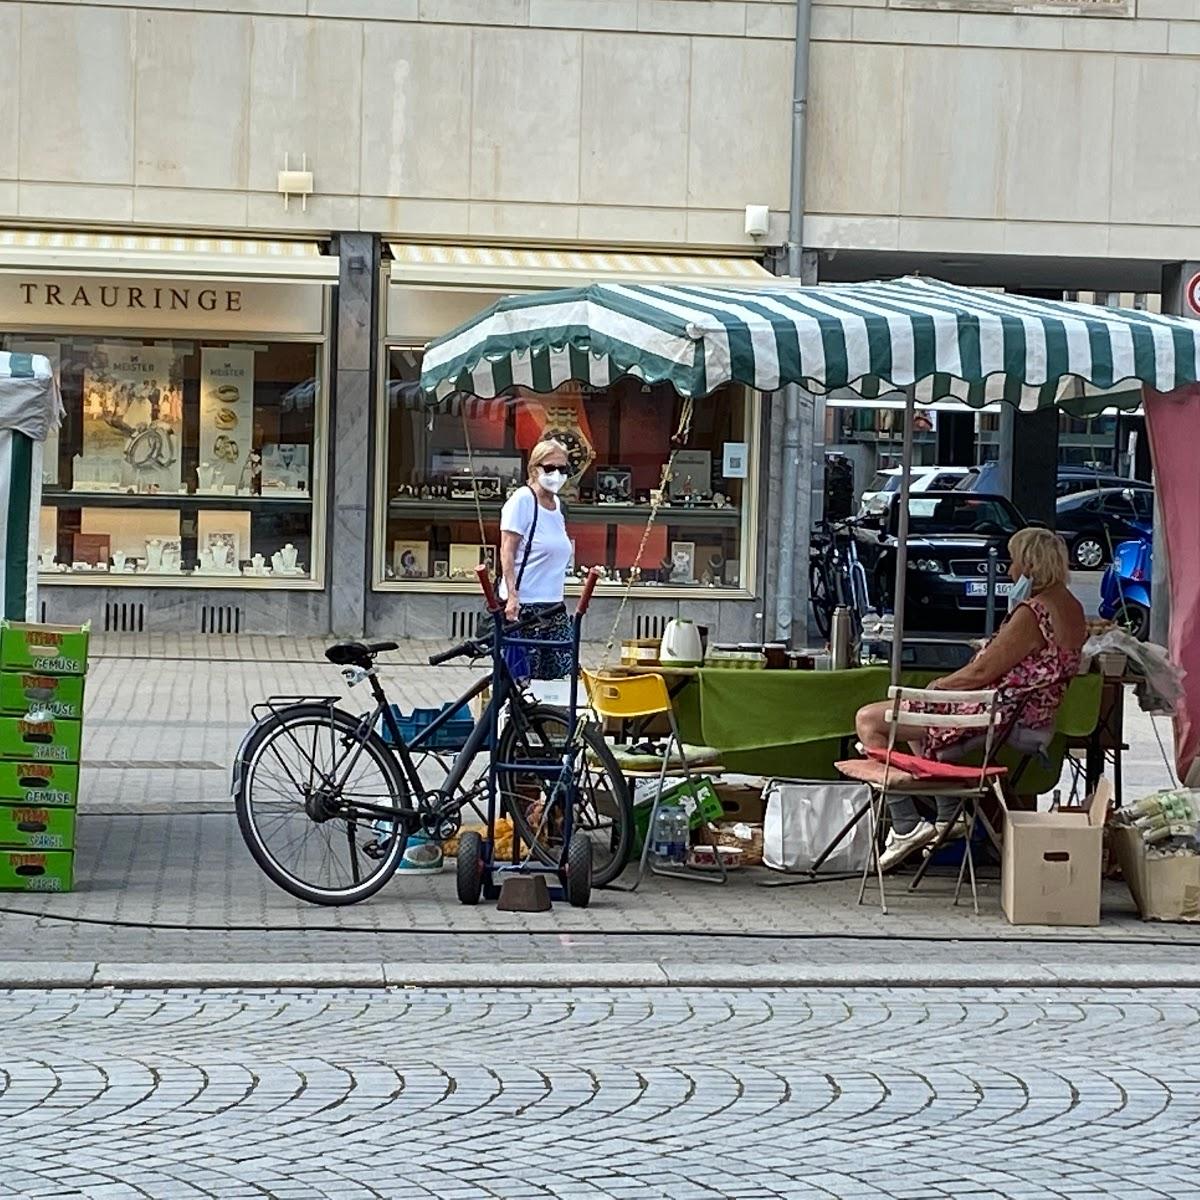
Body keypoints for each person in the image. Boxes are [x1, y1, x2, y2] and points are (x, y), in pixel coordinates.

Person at [855, 527, 1086, 871]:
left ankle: (906, 825)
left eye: (1013, 561)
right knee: (918, 723)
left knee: (870, 720)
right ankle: (949, 813)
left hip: (999, 710)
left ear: (1030, 565)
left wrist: (939, 686)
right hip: (1029, 711)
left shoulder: (1033, 612)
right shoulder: (1072, 607)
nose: (1010, 570)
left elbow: (981, 673)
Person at [499, 438, 574, 680]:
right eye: (550, 468)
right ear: (534, 469)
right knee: (522, 678)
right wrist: (512, 596)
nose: (557, 475)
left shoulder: (557, 505)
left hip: (554, 605)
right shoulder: (523, 499)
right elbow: (507, 550)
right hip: (525, 606)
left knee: (562, 674)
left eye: (562, 468)